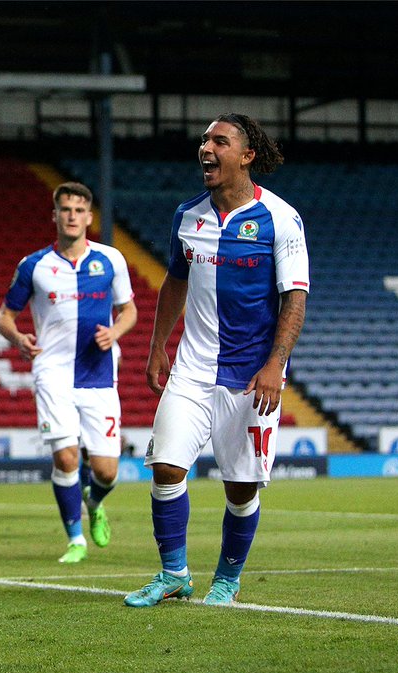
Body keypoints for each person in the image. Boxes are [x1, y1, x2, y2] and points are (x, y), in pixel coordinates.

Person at [124, 113, 309, 608]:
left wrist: (276, 365)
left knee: (242, 486)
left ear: (247, 156)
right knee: (165, 468)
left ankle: (227, 578)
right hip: (192, 368)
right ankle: (174, 574)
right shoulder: (189, 216)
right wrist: (158, 343)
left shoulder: (281, 218)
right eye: (204, 140)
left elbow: (294, 296)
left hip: (251, 375)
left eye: (219, 141)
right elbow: (176, 280)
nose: (206, 148)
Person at [0, 182, 137, 564]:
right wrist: (19, 338)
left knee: (107, 471)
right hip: (53, 372)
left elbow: (129, 311)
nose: (72, 216)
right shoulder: (34, 265)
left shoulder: (111, 260)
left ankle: (95, 500)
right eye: (65, 210)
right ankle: (75, 539)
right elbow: (4, 317)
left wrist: (116, 332)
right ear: (55, 216)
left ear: (89, 218)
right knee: (67, 459)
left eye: (79, 210)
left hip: (98, 374)